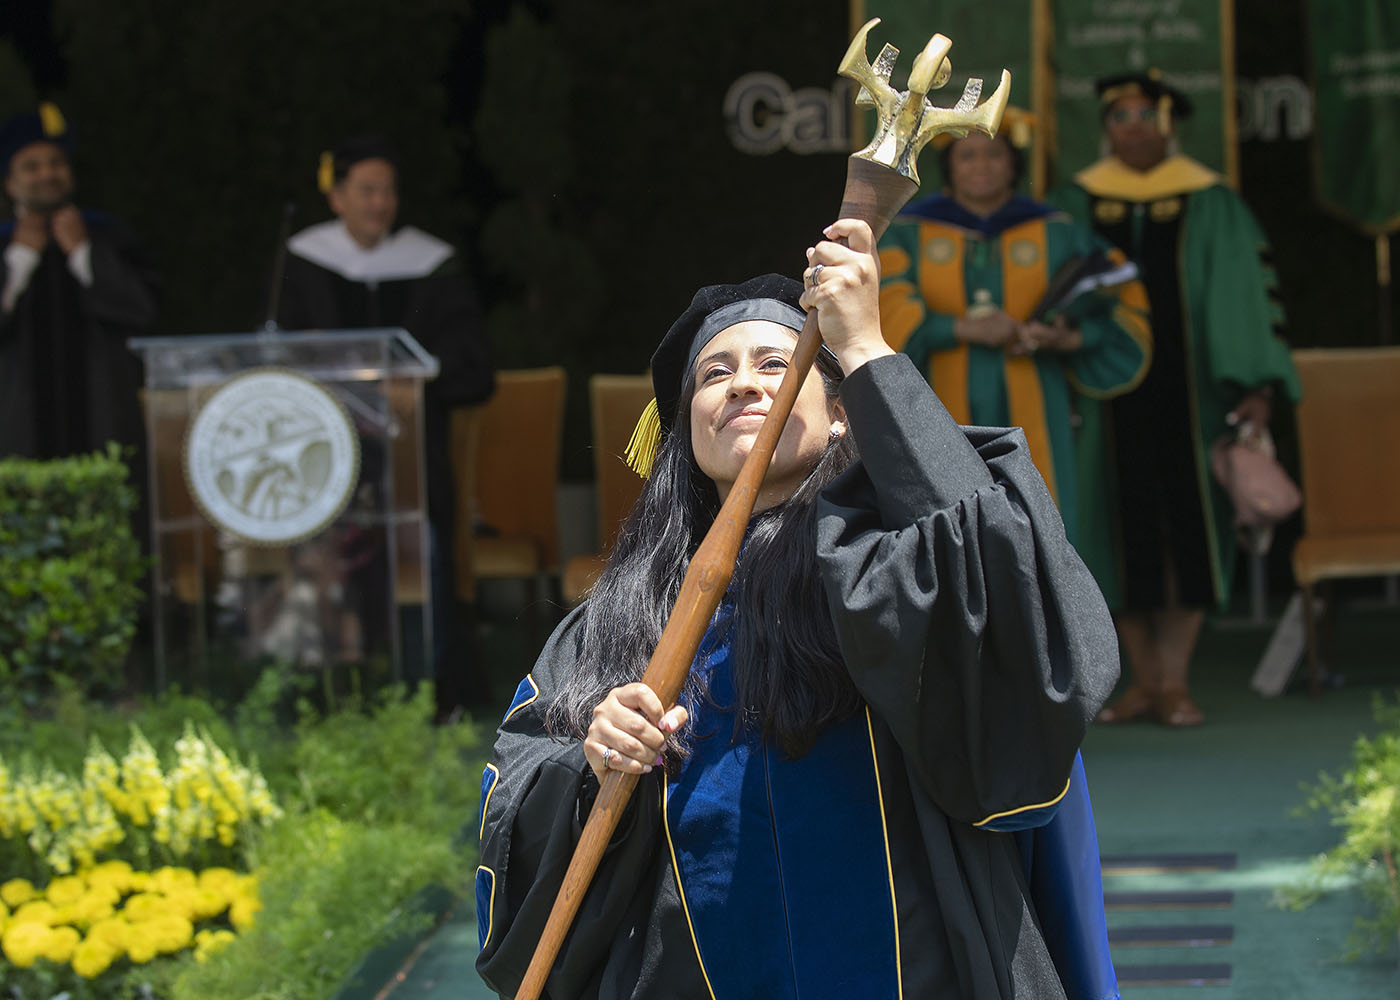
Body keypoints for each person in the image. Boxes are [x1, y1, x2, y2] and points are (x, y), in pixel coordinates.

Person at [475, 220, 1122, 999]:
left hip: (913, 965)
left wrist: (867, 351)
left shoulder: (896, 557)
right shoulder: (624, 615)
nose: (743, 384)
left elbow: (996, 575)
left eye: (777, 364)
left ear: (842, 411)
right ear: (686, 432)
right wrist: (592, 758)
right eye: (714, 374)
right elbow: (517, 787)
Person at [1049, 72, 1301, 727]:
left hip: (1194, 397)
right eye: (1121, 116)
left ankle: (1176, 679)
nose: (1133, 127)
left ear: (1169, 124)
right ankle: (1143, 680)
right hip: (1103, 396)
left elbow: (1245, 297)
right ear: (1106, 127)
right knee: (1112, 530)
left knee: (1189, 533)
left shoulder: (1212, 202)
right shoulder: (1076, 203)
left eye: (1144, 115)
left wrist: (1253, 386)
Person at [277, 134, 495, 713]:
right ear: (337, 197)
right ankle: (328, 695)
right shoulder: (301, 262)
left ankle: (426, 692)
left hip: (411, 460)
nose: (380, 203)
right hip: (324, 459)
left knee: (424, 566)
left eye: (388, 191)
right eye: (367, 190)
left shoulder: (431, 265)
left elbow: (472, 366)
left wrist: (412, 376)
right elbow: (280, 360)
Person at [878, 109, 1151, 549]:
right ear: (949, 167)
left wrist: (1067, 336)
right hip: (938, 399)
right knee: (950, 521)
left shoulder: (1058, 232)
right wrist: (961, 329)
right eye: (967, 156)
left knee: (1045, 516)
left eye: (993, 155)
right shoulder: (909, 233)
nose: (981, 166)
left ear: (1013, 164)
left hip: (1039, 397)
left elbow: (1115, 292)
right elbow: (884, 304)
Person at [0, 103, 159, 463]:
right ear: (9, 182)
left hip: (103, 425)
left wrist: (83, 252)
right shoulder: (4, 243)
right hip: (16, 430)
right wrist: (20, 258)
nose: (47, 174)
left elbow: (143, 310)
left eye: (56, 163)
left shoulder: (109, 234)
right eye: (31, 166)